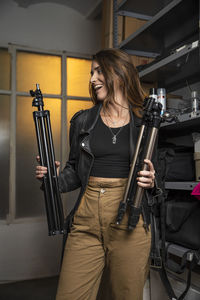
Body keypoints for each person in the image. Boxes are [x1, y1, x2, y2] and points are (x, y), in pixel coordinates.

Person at [35, 48, 159, 300]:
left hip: (130, 218)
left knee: (125, 295)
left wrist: (153, 181)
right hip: (87, 215)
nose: (92, 79)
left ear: (120, 73)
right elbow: (73, 171)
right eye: (92, 73)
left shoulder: (145, 122)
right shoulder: (83, 121)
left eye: (99, 71)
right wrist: (52, 179)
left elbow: (157, 179)